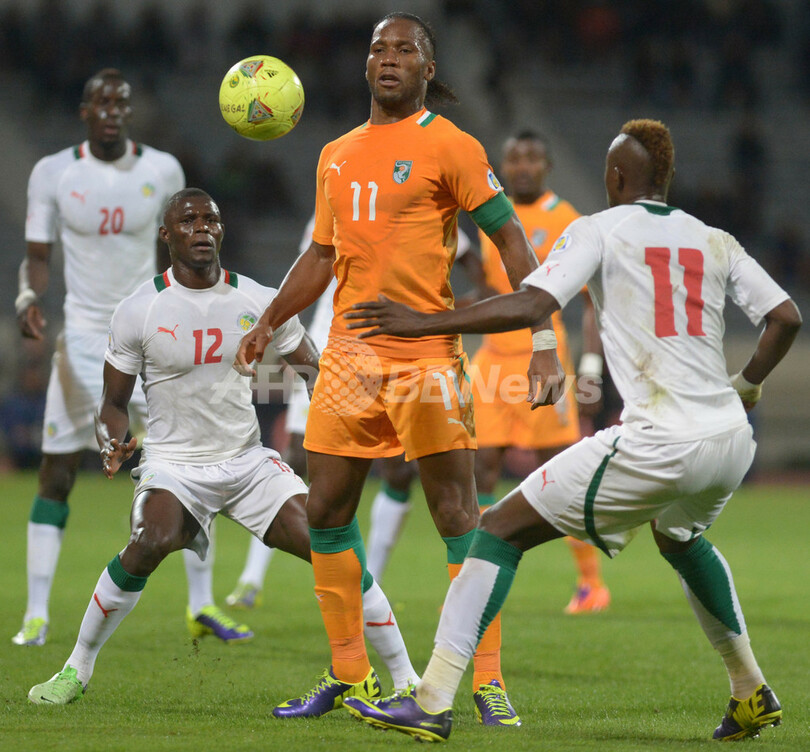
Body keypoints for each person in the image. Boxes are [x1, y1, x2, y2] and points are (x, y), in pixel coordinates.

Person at [341, 119, 801, 741]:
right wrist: (744, 387)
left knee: (497, 530)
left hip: (659, 440)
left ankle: (431, 698)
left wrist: (421, 322)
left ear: (615, 177)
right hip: (728, 441)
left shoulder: (597, 228)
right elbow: (784, 317)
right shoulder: (713, 238)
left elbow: (533, 303)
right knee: (680, 536)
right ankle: (750, 690)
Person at [235, 12, 564, 725]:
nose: (388, 58)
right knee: (324, 510)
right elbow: (322, 256)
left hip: (424, 356)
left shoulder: (451, 144)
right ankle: (349, 673)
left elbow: (509, 239)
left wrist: (543, 338)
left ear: (427, 67)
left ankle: (486, 679)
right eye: (378, 48)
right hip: (349, 359)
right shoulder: (336, 152)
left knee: (457, 514)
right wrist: (269, 321)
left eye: (404, 49)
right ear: (365, 66)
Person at [27, 188, 418, 705]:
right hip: (174, 466)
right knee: (149, 539)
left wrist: (355, 412)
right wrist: (110, 438)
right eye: (187, 221)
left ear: (222, 229)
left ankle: (407, 676)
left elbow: (313, 373)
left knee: (334, 551)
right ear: (166, 235)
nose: (202, 228)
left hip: (248, 462)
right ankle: (76, 668)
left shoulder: (260, 300)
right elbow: (113, 403)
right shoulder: (138, 309)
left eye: (210, 219)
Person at [11, 69, 252, 648]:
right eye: (102, 102)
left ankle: (202, 606)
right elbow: (37, 255)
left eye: (122, 102)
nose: (113, 110)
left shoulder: (162, 169)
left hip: (155, 331)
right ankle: (37, 613)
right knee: (57, 472)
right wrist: (27, 294)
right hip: (86, 336)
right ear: (84, 111)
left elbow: (185, 247)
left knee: (201, 462)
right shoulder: (54, 172)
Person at [226, 218, 478, 607]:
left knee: (398, 470)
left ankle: (369, 583)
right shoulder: (337, 198)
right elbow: (311, 272)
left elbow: (478, 272)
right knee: (297, 458)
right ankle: (251, 578)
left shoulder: (427, 206)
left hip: (403, 358)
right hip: (331, 348)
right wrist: (279, 330)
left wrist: (434, 316)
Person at [471, 130, 610, 614]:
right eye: (514, 159)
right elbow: (494, 289)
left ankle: (591, 584)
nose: (523, 166)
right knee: (480, 469)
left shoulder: (566, 219)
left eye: (531, 158)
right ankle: (478, 576)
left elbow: (593, 303)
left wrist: (591, 369)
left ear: (547, 166)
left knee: (561, 471)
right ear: (503, 167)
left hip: (543, 355)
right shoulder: (492, 213)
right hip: (490, 361)